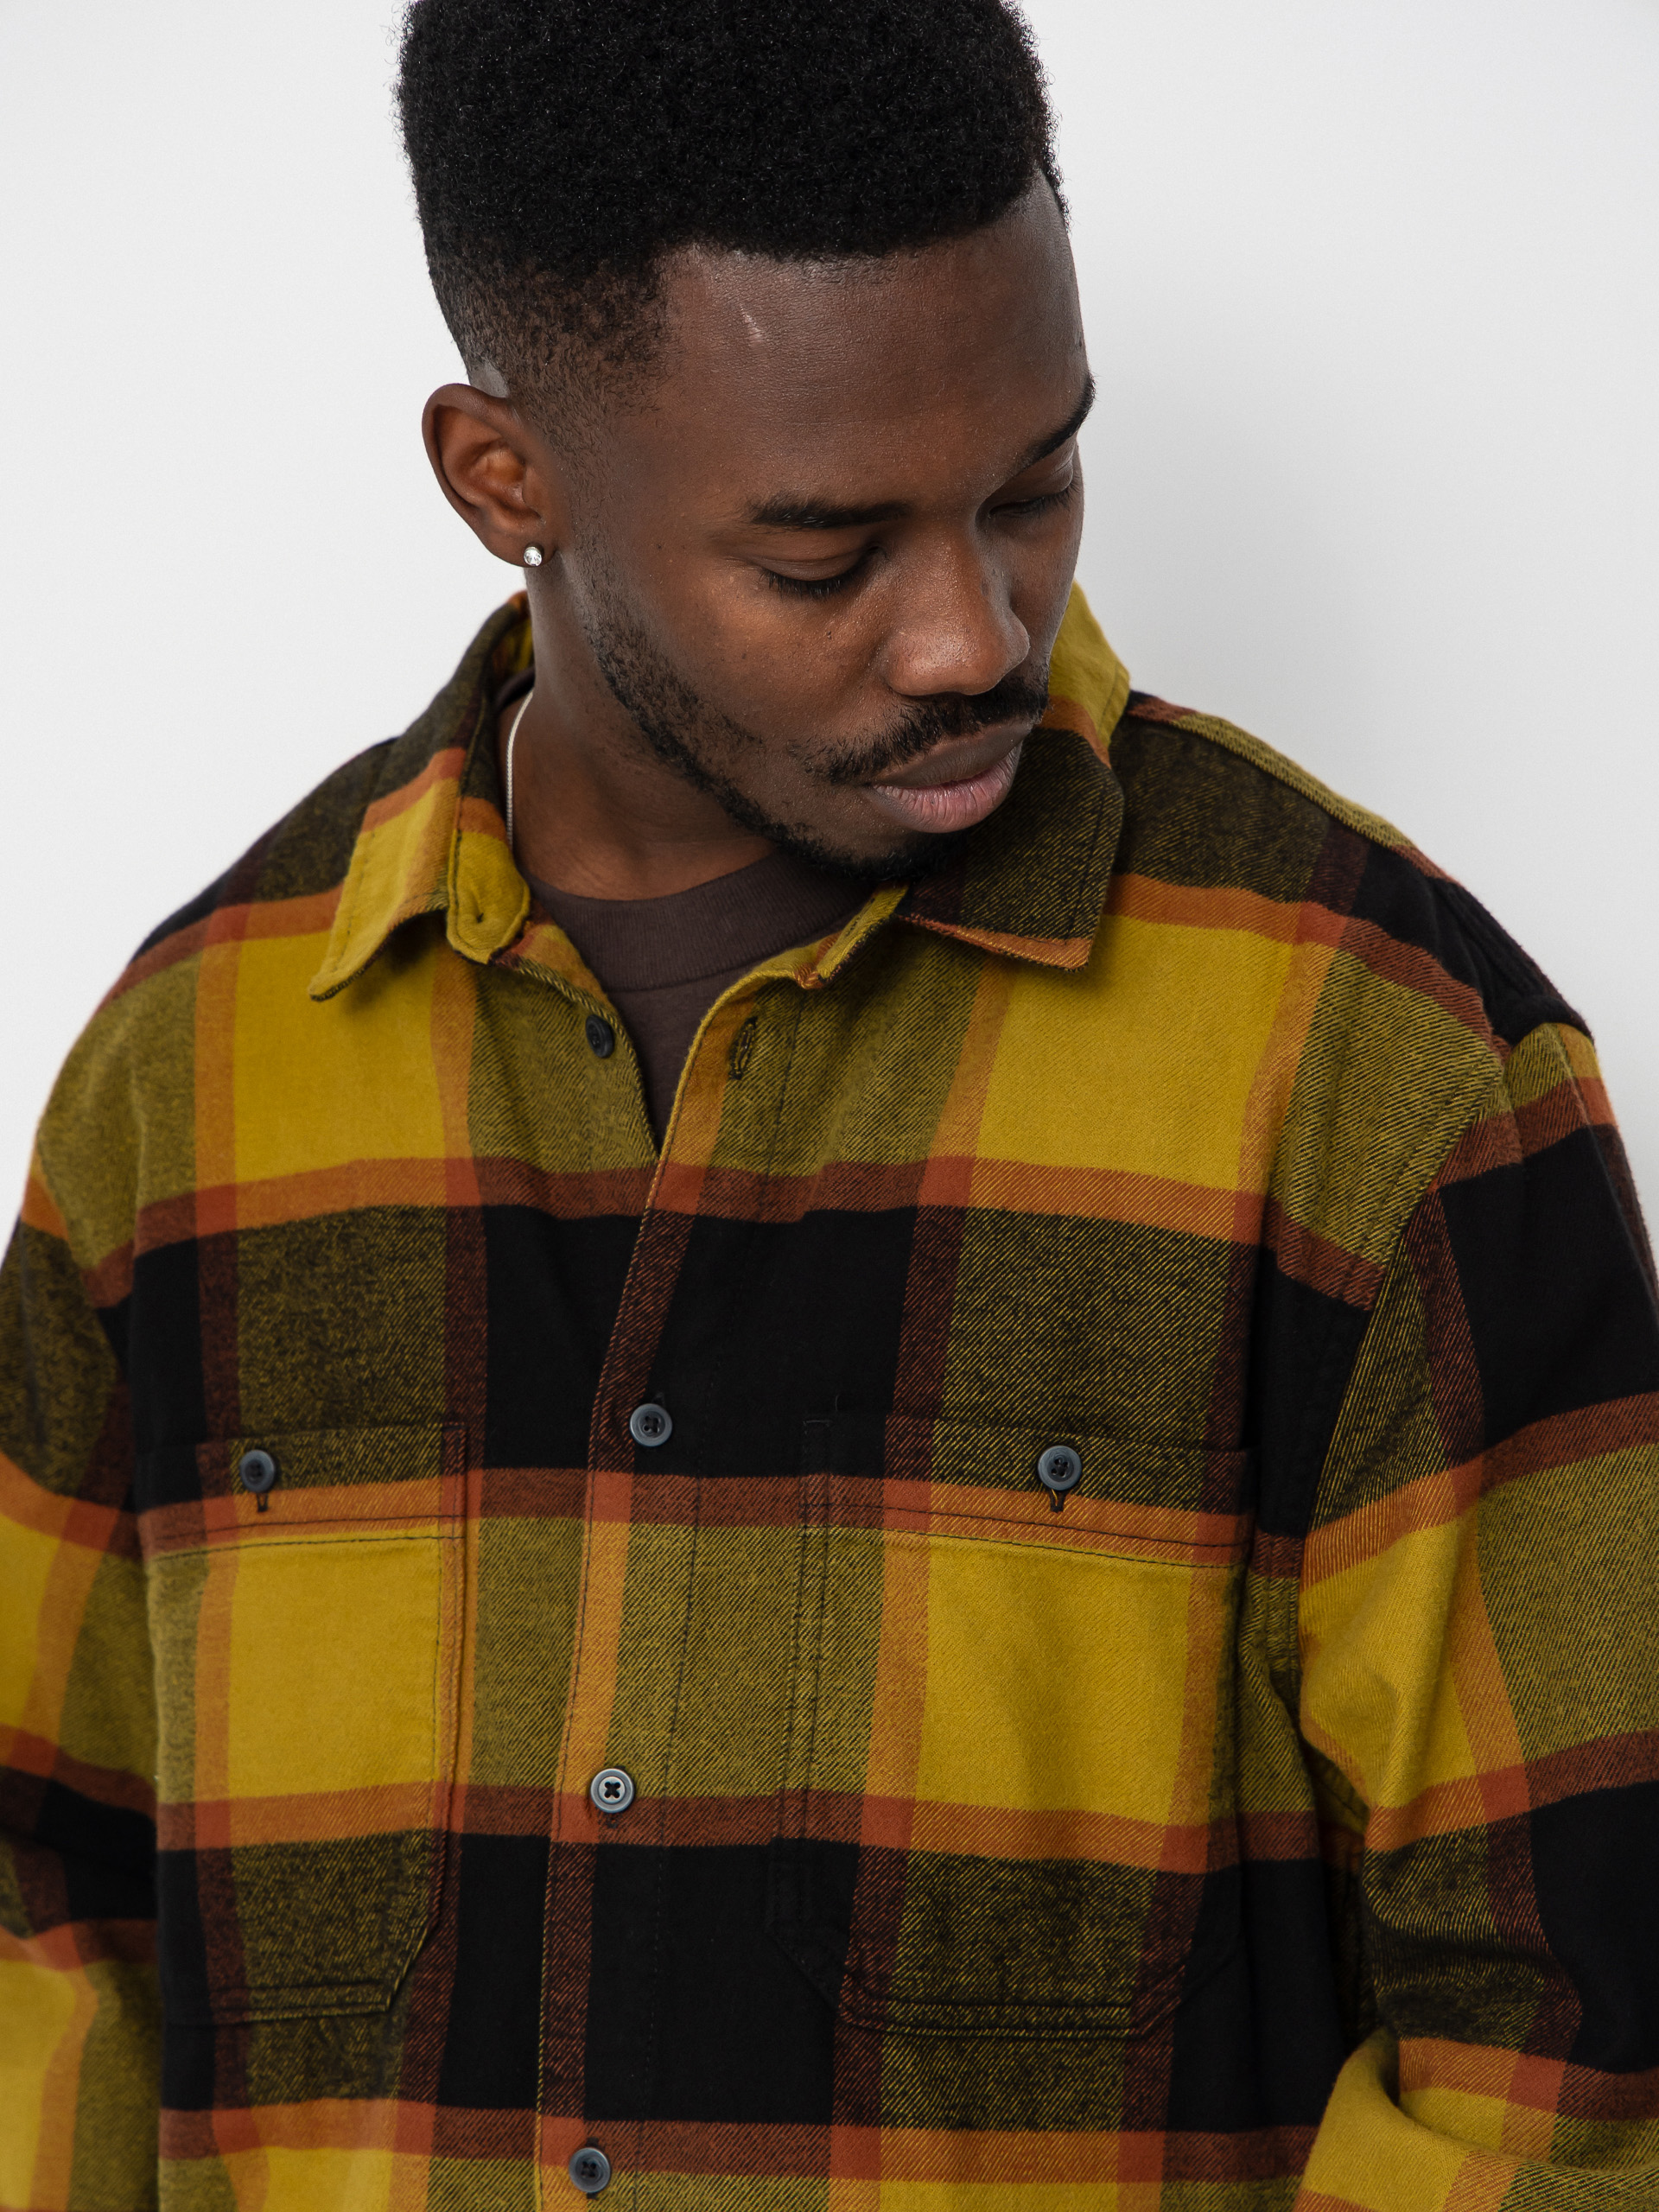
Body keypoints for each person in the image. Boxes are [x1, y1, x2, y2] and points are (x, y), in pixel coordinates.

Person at [4, 0, 1656, 2203]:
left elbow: (1562, 2053)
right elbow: (48, 1927)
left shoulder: (1382, 1062)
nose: (972, 633)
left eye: (1034, 486)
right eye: (823, 556)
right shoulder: (189, 1080)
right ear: (505, 479)